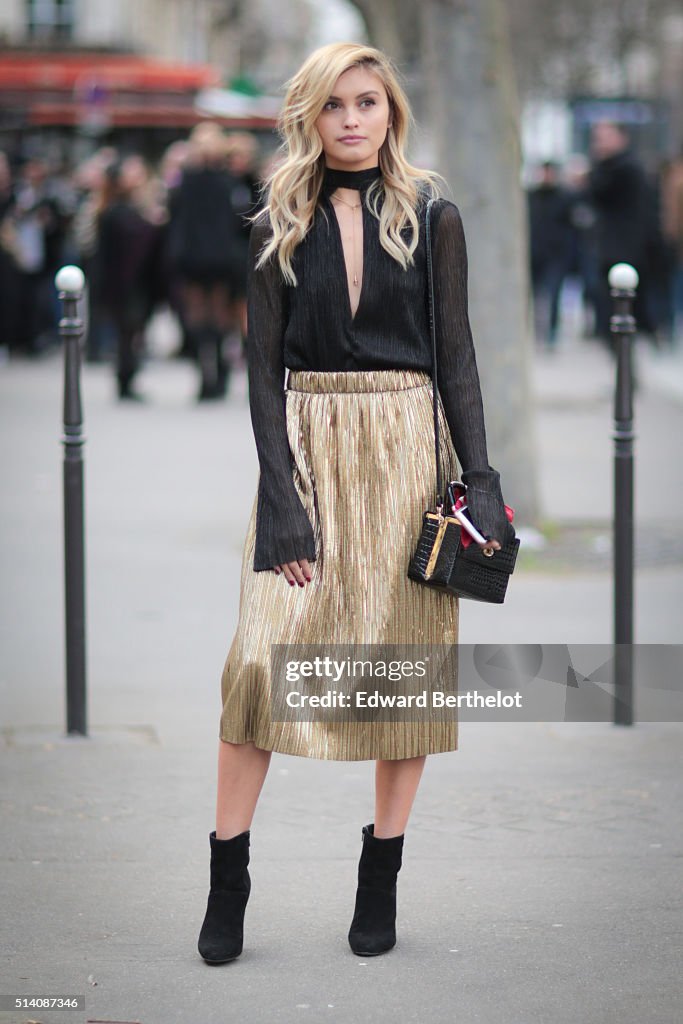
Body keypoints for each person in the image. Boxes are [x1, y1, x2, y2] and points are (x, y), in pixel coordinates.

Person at [197, 42, 515, 965]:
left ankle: (379, 879)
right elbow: (261, 376)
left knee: (401, 675)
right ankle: (228, 879)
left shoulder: (432, 214)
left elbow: (454, 355)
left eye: (367, 101)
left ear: (390, 113)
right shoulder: (275, 219)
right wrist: (280, 499)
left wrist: (482, 484)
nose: (351, 119)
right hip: (305, 448)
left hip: (409, 454)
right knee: (258, 667)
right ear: (311, 114)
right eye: (334, 103)